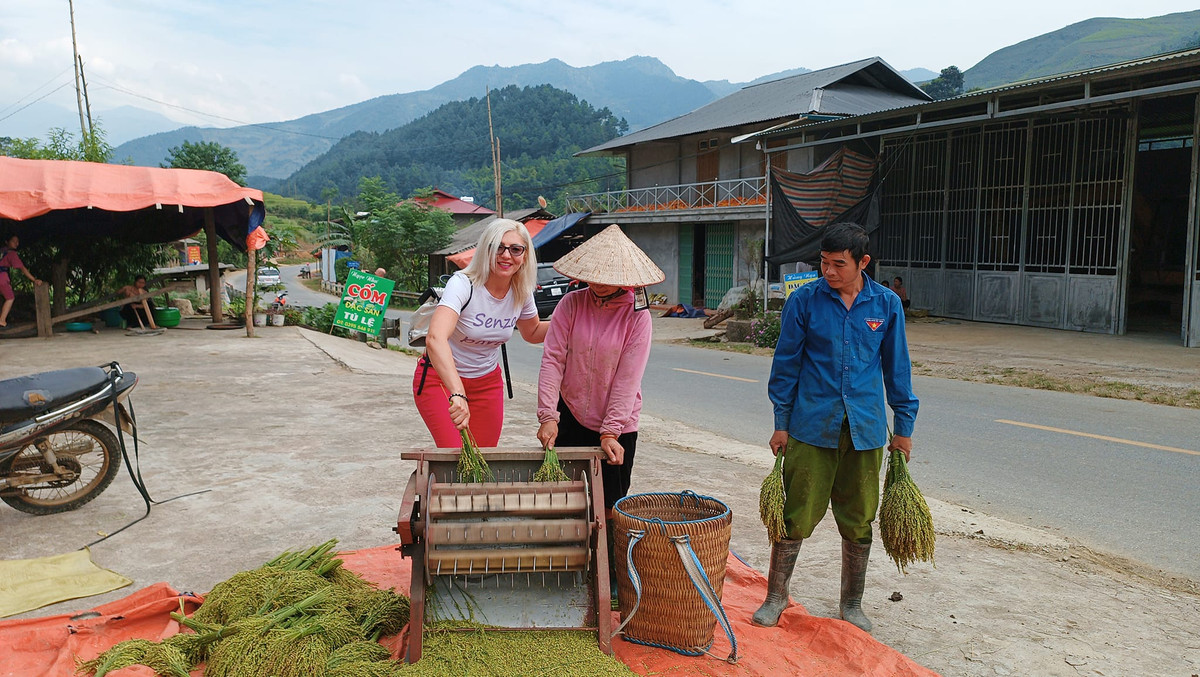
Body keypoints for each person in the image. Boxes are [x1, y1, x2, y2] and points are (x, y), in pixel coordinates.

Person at [754, 222, 918, 634]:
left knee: (860, 518)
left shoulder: (886, 305)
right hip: (811, 427)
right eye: (823, 263)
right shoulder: (805, 301)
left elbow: (897, 369)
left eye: (838, 264)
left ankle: (851, 603)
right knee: (795, 515)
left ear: (863, 262)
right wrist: (781, 423)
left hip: (865, 429)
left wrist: (903, 428)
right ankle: (776, 597)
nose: (828, 271)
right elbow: (785, 365)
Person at [535, 224, 664, 511]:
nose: (598, 282)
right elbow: (553, 359)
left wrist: (610, 432)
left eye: (608, 276)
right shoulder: (571, 304)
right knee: (564, 503)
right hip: (569, 414)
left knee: (609, 507)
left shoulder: (637, 316)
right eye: (593, 275)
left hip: (618, 425)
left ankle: (608, 557)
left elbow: (628, 378)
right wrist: (547, 416)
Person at [413, 218, 548, 447]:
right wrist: (457, 392)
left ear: (525, 256)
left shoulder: (521, 292)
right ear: (485, 250)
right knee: (456, 458)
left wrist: (572, 319)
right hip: (442, 381)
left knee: (484, 460)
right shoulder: (464, 284)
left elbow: (532, 331)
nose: (506, 255)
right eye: (498, 247)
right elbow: (436, 338)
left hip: (487, 383)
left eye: (515, 249)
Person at [0, 235, 44, 328]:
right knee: (10, 298)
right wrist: (34, 279)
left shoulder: (2, 250)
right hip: (1, 277)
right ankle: (2, 320)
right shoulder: (12, 254)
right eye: (13, 241)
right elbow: (22, 268)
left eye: (17, 241)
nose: (16, 243)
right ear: (7, 242)